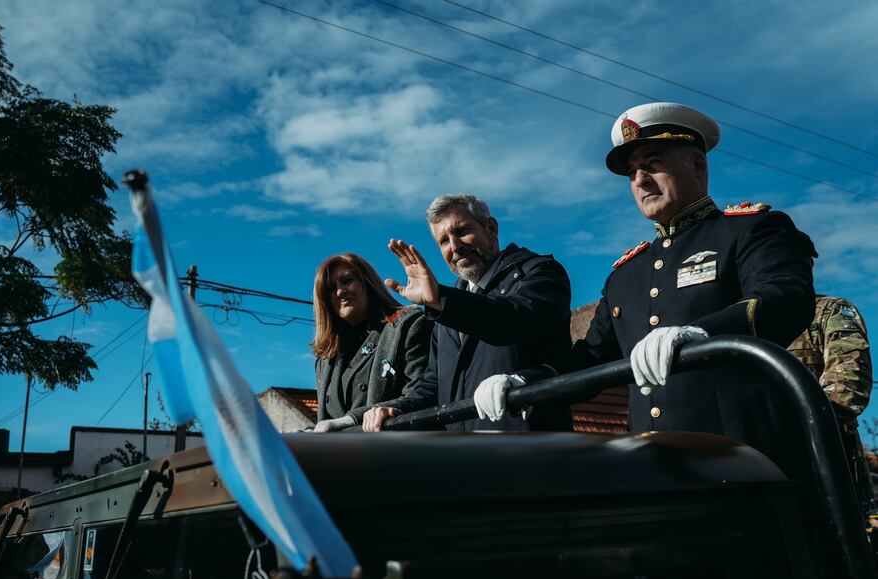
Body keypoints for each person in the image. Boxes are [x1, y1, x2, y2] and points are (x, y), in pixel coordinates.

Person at [475, 102, 815, 468]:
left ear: (697, 165)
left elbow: (785, 298)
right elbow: (592, 356)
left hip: (743, 454)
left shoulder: (750, 230)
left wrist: (700, 332)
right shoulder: (625, 273)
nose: (639, 180)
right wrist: (525, 380)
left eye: (652, 164)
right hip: (653, 461)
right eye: (632, 173)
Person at [360, 193, 572, 432]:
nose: (455, 246)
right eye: (443, 241)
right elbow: (432, 385)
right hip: (464, 456)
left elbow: (516, 320)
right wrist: (397, 408)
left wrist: (442, 301)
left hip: (530, 452)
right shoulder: (446, 309)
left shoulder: (540, 272)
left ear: (491, 228)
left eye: (461, 231)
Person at [787, 232, 874, 507]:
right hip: (759, 470)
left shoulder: (829, 311)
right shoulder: (743, 319)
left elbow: (847, 388)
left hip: (827, 471)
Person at [312, 253, 432, 432]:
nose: (339, 291)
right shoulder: (326, 357)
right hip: (339, 457)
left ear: (367, 283)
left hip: (391, 452)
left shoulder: (409, 325)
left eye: (347, 281)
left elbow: (420, 395)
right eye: (330, 288)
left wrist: (351, 420)